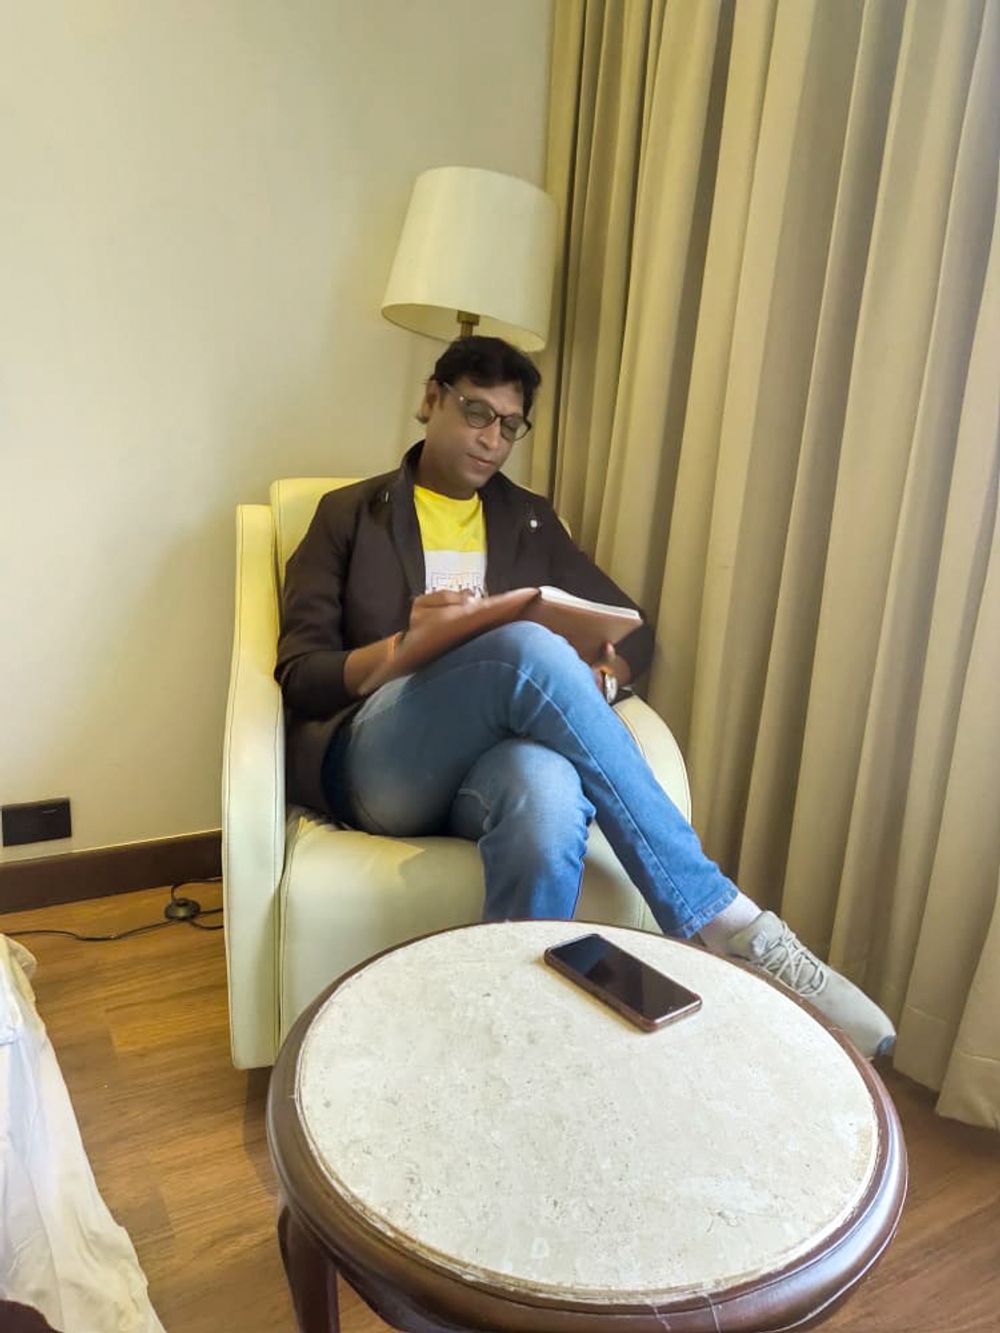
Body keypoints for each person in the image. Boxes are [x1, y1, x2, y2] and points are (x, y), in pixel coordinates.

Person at [276, 335, 894, 1058]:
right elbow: (300, 671)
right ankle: (725, 919)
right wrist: (400, 649)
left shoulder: (529, 520)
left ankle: (509, 1039)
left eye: (511, 425)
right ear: (431, 399)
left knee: (548, 790)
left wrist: (599, 676)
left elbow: (633, 630)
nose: (492, 438)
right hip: (380, 760)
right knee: (524, 645)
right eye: (476, 412)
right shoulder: (350, 513)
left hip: (486, 773)